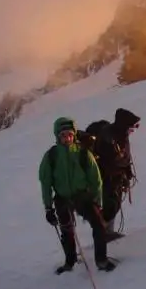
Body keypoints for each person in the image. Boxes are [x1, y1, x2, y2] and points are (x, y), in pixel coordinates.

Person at [38, 117, 116, 274]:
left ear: (74, 135)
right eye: (63, 135)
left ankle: (101, 260)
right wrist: (48, 208)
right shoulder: (51, 156)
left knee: (99, 226)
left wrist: (97, 201)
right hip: (62, 198)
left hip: (82, 196)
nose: (67, 138)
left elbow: (96, 179)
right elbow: (46, 183)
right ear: (57, 137)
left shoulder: (83, 153)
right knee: (67, 231)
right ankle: (70, 262)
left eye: (69, 135)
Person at [89, 108, 140, 237]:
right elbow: (111, 159)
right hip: (105, 178)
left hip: (115, 177)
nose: (134, 129)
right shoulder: (108, 137)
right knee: (109, 205)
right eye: (133, 126)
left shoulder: (121, 135)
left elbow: (125, 157)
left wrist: (127, 172)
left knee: (113, 204)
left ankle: (107, 232)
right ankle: (104, 233)